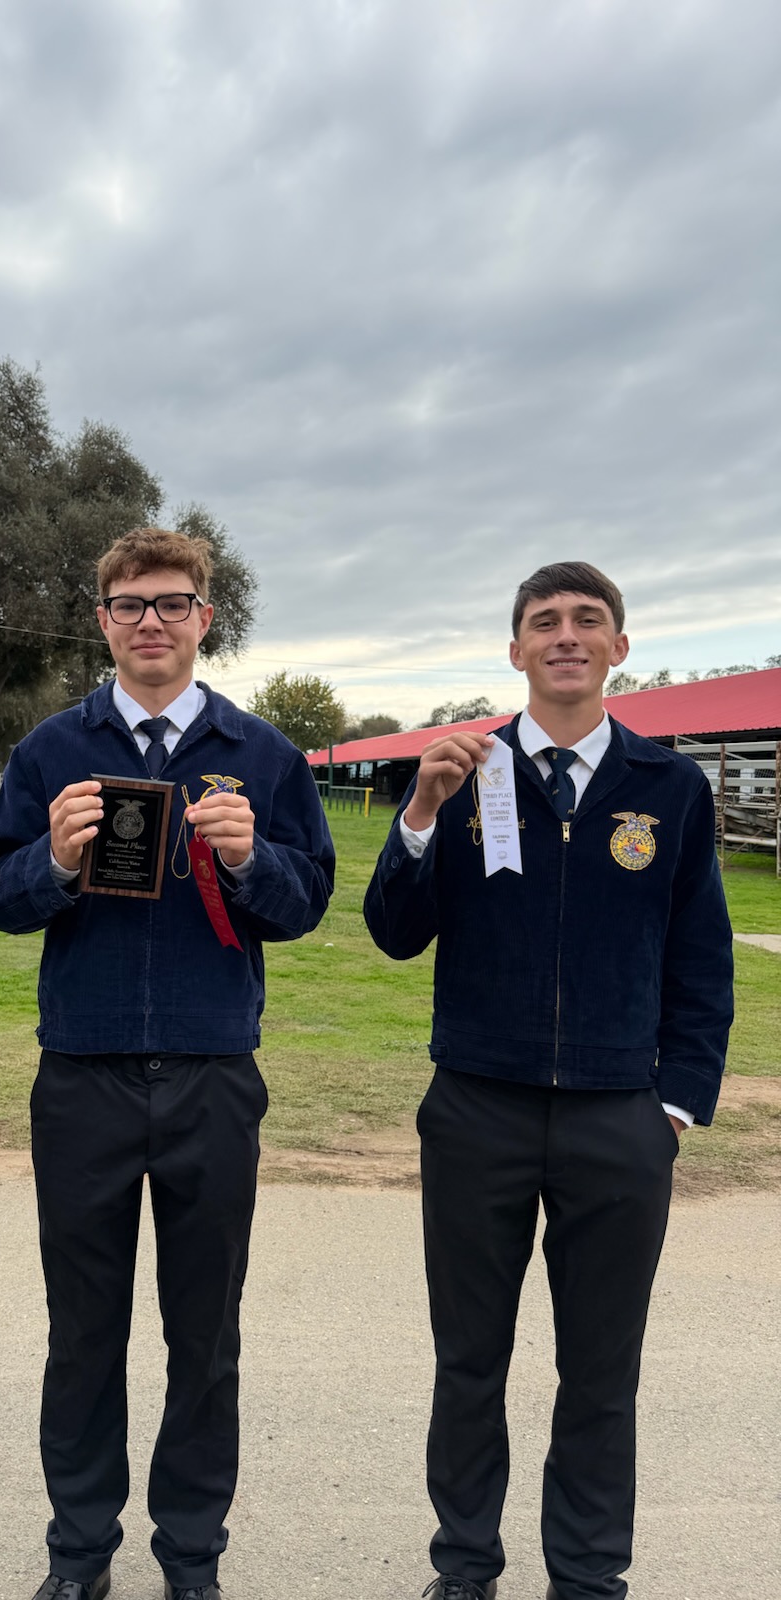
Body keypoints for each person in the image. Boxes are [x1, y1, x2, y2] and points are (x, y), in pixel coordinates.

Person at [0, 527, 334, 1600]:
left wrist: (250, 858)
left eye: (173, 603)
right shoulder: (51, 752)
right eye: (129, 605)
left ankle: (191, 1555)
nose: (151, 622)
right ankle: (80, 1553)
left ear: (204, 618)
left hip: (213, 1076)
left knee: (204, 1336)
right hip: (81, 1075)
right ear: (102, 621)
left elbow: (306, 901)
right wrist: (54, 858)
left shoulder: (262, 753)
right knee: (83, 1333)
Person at [365, 561, 734, 1600]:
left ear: (620, 646)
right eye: (544, 621)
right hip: (477, 1107)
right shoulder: (463, 773)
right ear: (516, 649)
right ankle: (465, 1566)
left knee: (601, 1369)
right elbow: (394, 933)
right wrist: (420, 814)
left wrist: (672, 1106)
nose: (566, 634)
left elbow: (702, 960)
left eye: (587, 619)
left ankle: (586, 1573)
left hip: (619, 1118)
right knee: (468, 1361)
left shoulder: (669, 789)